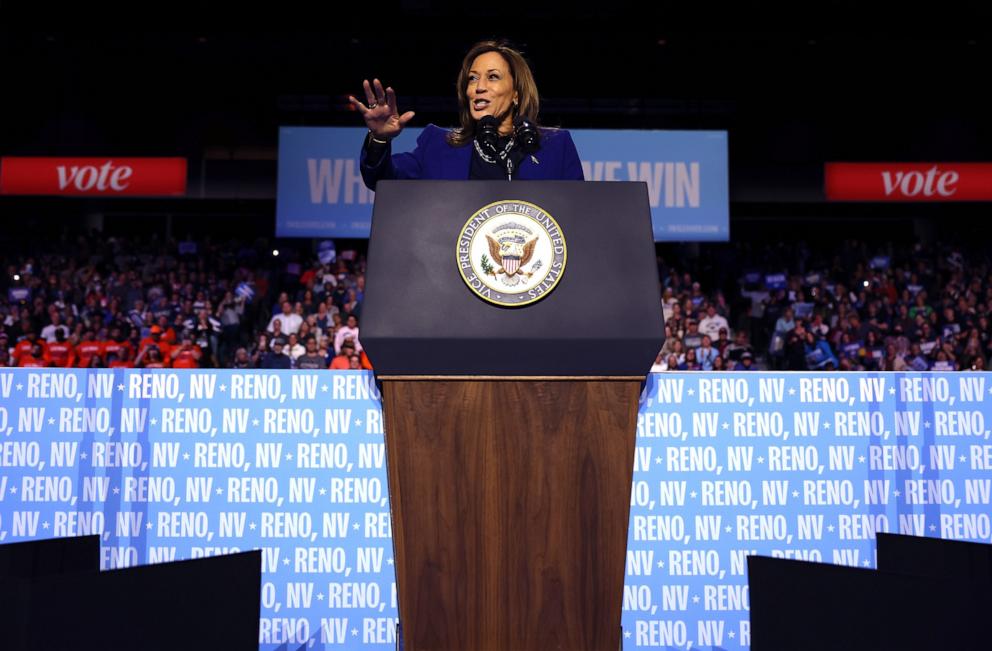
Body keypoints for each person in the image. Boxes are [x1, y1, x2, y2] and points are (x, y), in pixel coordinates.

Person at [351, 39, 584, 190]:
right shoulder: (437, 145)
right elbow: (381, 181)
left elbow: (577, 215)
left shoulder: (555, 146)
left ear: (516, 93)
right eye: (473, 78)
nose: (478, 87)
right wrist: (379, 139)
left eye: (492, 77)